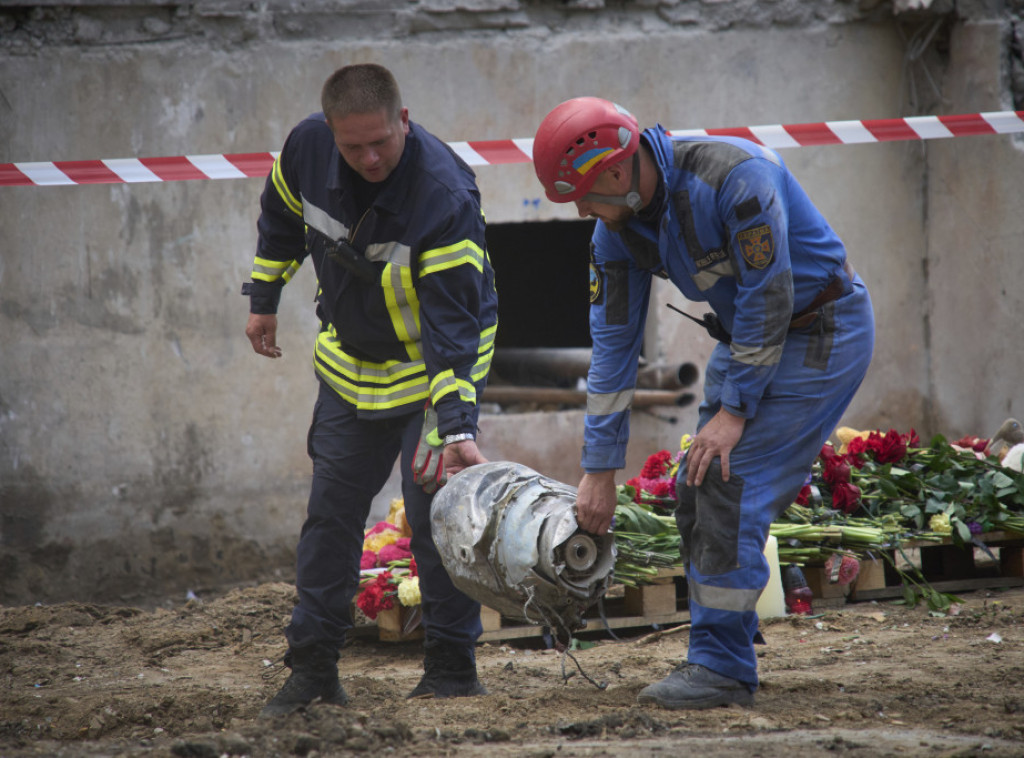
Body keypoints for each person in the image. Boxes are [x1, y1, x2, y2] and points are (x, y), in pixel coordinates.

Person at [532, 97, 874, 709]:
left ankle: (721, 669)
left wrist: (734, 413)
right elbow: (612, 347)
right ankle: (731, 634)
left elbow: (772, 296)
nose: (582, 211)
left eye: (582, 194)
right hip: (751, 337)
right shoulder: (617, 231)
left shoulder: (736, 177)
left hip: (822, 329)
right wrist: (598, 468)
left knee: (726, 480)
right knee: (694, 486)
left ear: (615, 171)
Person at [244, 63, 498, 717]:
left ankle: (450, 669)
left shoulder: (443, 195)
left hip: (435, 374)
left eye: (381, 141)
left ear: (403, 121)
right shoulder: (305, 149)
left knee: (437, 521)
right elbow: (280, 214)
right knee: (329, 521)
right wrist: (264, 296)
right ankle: (313, 672)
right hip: (350, 370)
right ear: (330, 134)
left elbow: (453, 329)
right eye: (353, 147)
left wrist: (456, 427)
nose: (370, 157)